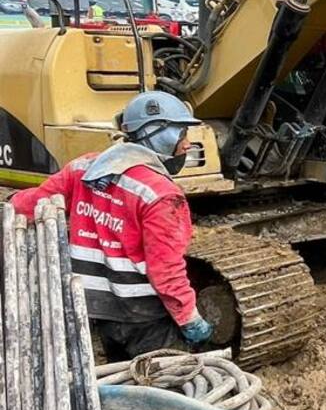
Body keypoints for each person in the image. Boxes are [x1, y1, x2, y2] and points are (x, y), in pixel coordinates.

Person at [11, 91, 214, 360]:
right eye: (181, 133)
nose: (187, 144)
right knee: (167, 391)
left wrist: (9, 203)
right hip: (145, 317)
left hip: (99, 312)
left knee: (120, 378)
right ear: (156, 133)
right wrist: (189, 319)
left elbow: (32, 203)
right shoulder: (161, 194)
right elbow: (166, 271)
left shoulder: (83, 168)